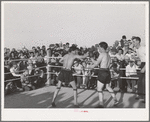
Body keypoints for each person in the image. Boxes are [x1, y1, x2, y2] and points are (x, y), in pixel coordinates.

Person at [88, 42, 118, 108]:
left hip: (102, 72)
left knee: (99, 88)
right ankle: (115, 99)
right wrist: (93, 61)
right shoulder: (108, 55)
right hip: (107, 71)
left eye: (99, 47)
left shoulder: (102, 54)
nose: (98, 48)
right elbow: (106, 63)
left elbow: (96, 64)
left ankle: (101, 104)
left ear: (101, 47)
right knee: (108, 87)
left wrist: (91, 61)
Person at [132, 37, 146, 102]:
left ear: (138, 41)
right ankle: (142, 95)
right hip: (143, 64)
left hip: (146, 64)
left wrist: (144, 67)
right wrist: (135, 58)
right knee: (141, 81)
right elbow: (140, 58)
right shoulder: (137, 49)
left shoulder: (144, 48)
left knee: (144, 82)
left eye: (134, 41)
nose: (133, 43)